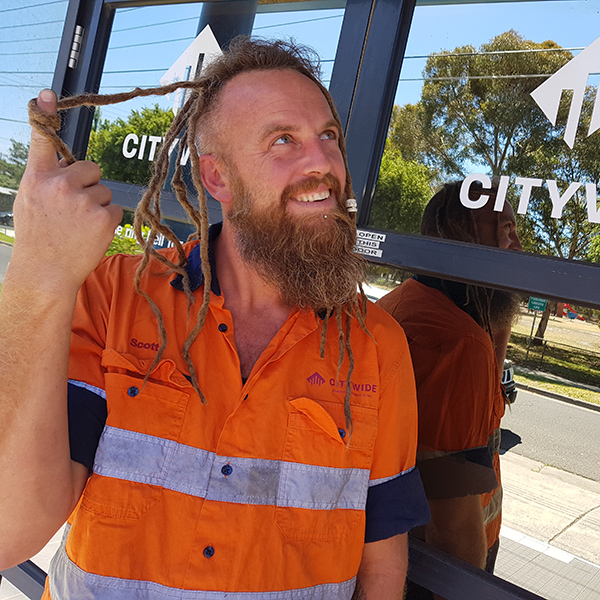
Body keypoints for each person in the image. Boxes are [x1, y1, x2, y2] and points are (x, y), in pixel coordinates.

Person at [0, 38, 429, 599]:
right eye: (283, 140)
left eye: (329, 137)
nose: (324, 163)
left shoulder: (375, 345)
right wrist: (37, 274)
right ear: (217, 178)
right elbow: (10, 531)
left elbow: (382, 568)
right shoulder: (120, 296)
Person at [378, 181, 522, 599]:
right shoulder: (459, 344)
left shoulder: (402, 303)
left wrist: (495, 307)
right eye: (505, 231)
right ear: (461, 239)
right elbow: (451, 526)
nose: (517, 249)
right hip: (435, 570)